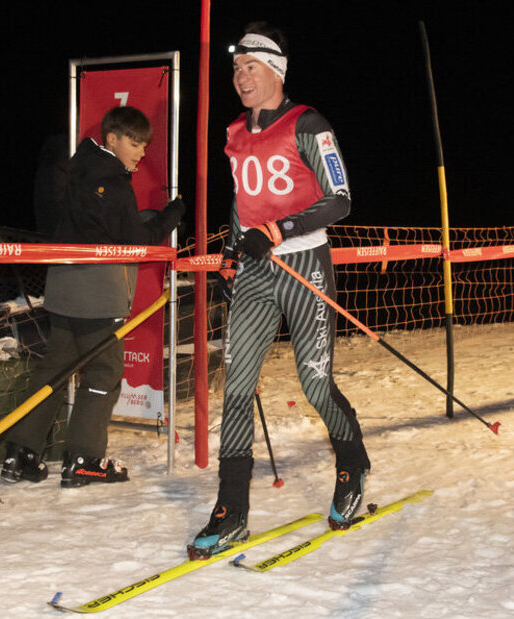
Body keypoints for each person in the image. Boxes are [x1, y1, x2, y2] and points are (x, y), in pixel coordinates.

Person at [189, 22, 371, 558]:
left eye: (250, 67)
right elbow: (242, 200)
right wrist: (228, 254)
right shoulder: (235, 132)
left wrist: (279, 231)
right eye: (236, 69)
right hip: (254, 272)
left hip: (304, 262)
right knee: (237, 385)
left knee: (314, 384)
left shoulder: (307, 123)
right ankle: (231, 510)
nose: (240, 78)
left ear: (275, 71)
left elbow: (339, 199)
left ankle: (352, 462)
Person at [1, 106, 185, 487]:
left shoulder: (71, 171)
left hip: (62, 288)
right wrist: (172, 215)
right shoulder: (114, 184)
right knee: (103, 372)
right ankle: (84, 458)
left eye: (145, 146)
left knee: (54, 371)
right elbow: (138, 243)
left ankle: (21, 453)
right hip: (98, 294)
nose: (141, 152)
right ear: (112, 138)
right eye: (135, 143)